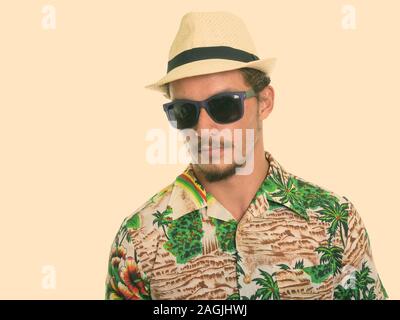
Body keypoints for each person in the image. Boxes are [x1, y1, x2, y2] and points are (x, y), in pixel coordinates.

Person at [105, 11, 387, 300]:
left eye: (224, 105)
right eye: (185, 111)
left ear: (264, 102)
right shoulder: (138, 242)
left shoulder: (335, 224)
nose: (203, 129)